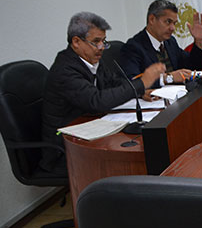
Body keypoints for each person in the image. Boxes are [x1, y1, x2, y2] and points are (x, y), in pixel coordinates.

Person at [41, 12, 164, 174]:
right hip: (66, 148)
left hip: (90, 130)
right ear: (76, 42)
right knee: (128, 161)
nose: (101, 48)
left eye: (103, 41)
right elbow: (96, 101)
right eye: (96, 42)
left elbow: (114, 81)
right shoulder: (65, 70)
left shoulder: (91, 60)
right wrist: (141, 83)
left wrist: (141, 92)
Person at [119, 0, 202, 87]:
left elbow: (192, 66)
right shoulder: (133, 47)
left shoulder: (170, 41)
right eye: (168, 22)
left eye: (174, 23)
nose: (173, 28)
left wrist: (198, 41)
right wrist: (169, 78)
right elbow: (133, 83)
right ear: (152, 19)